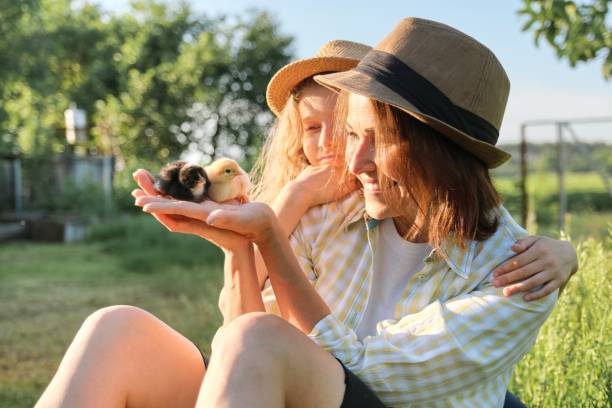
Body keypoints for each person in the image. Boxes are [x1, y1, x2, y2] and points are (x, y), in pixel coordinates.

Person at [35, 27, 577, 408]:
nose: (350, 159)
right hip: (293, 389)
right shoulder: (333, 207)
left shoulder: (516, 272)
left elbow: (371, 376)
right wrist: (242, 243)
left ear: (440, 155)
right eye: (349, 134)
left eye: (375, 141)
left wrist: (269, 235)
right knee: (117, 328)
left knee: (259, 340)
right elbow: (242, 339)